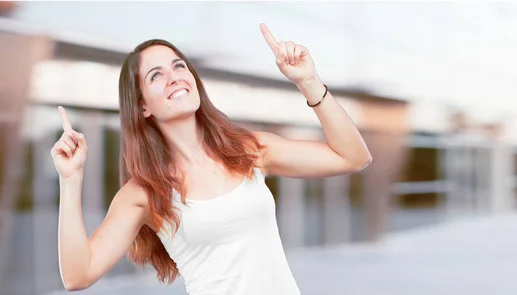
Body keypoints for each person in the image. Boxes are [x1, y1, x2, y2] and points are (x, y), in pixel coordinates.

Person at [51, 23, 372, 295]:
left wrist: (308, 81)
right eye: (155, 76)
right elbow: (77, 276)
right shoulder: (144, 192)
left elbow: (353, 157)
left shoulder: (248, 149)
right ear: (143, 106)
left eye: (179, 66)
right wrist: (71, 179)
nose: (174, 76)